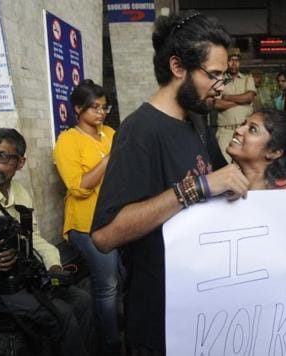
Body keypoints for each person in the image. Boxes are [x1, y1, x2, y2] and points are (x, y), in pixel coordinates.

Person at [90, 12, 250, 354]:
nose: (221, 87)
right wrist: (195, 188)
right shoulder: (140, 131)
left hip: (198, 305)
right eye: (214, 75)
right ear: (178, 67)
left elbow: (224, 185)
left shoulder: (196, 122)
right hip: (157, 315)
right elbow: (105, 235)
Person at [0, 128, 92, 356]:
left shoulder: (21, 194)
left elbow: (33, 238)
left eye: (2, 156)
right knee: (61, 314)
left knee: (82, 300)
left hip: (19, 278)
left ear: (20, 162)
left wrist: (53, 265)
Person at [52, 80, 121, 354]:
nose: (101, 113)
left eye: (105, 108)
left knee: (118, 280)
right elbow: (78, 187)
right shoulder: (68, 141)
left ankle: (108, 327)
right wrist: (107, 160)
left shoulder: (110, 133)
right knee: (107, 285)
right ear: (78, 109)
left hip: (115, 218)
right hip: (86, 223)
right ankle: (110, 344)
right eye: (95, 108)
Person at [226, 109, 286, 189]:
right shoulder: (222, 184)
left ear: (274, 152)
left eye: (253, 129)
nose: (238, 130)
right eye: (243, 124)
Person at [214, 47, 256, 162]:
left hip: (244, 130)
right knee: (223, 163)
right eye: (230, 60)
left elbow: (249, 97)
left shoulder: (248, 79)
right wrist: (241, 101)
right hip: (225, 131)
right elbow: (216, 104)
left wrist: (227, 97)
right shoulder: (220, 80)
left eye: (236, 60)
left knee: (244, 164)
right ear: (226, 62)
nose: (233, 63)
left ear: (239, 62)